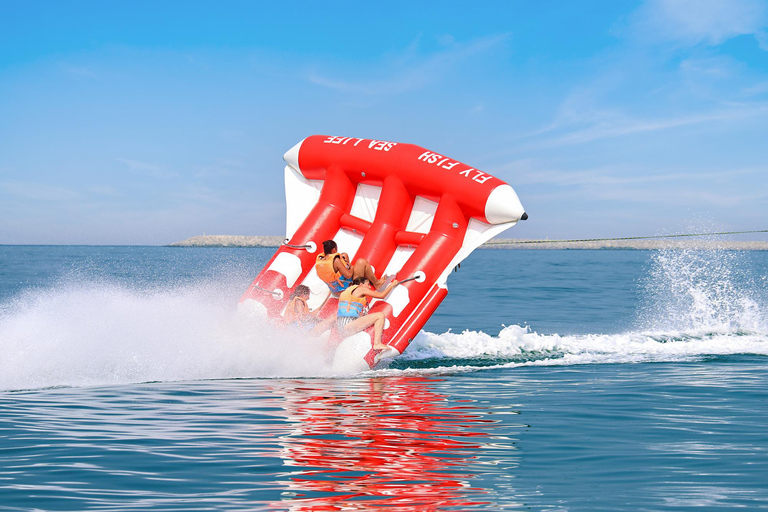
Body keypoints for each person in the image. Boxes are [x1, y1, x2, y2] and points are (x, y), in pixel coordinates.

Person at [336, 276, 398, 351]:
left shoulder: (347, 291)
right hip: (348, 325)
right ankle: (377, 343)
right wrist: (392, 285)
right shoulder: (360, 289)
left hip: (341, 326)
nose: (369, 287)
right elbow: (381, 295)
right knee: (379, 315)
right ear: (361, 284)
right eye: (368, 284)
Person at [315, 239, 385, 294]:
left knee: (344, 255)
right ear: (334, 250)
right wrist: (351, 267)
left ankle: (371, 280)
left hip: (336, 290)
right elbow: (348, 275)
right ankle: (376, 283)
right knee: (361, 262)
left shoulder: (321, 261)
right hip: (347, 289)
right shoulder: (335, 260)